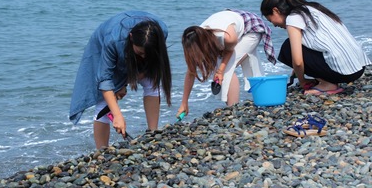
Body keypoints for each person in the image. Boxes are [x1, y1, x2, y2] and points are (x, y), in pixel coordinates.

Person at [68, 11, 172, 149]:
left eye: (148, 54)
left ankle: (153, 133)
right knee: (103, 103)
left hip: (137, 44)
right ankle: (102, 150)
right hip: (102, 45)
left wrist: (125, 82)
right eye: (140, 53)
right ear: (131, 38)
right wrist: (117, 115)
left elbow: (148, 63)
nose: (144, 57)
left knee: (151, 82)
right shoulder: (113, 39)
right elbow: (104, 80)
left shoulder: (160, 32)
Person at [260, 0, 371, 95]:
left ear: (276, 10)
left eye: (271, 20)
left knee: (287, 48)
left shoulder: (293, 18)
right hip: (358, 68)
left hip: (344, 74)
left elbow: (298, 62)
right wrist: (300, 70)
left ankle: (328, 84)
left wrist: (302, 80)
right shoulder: (312, 8)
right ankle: (327, 79)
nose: (274, 25)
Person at [178, 9, 277, 117]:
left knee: (227, 69)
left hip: (251, 27)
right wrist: (184, 103)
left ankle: (233, 110)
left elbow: (229, 50)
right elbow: (191, 72)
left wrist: (220, 71)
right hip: (231, 23)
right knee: (221, 70)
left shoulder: (226, 37)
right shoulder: (195, 37)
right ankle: (233, 107)